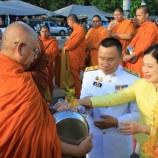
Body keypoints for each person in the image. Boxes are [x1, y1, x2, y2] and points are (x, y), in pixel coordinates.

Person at [0, 21, 93, 158]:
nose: (34, 57)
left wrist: (47, 110)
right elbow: (36, 140)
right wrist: (78, 151)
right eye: (34, 51)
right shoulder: (21, 84)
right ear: (20, 48)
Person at [78, 44, 158, 158]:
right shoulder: (141, 85)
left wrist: (144, 129)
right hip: (146, 149)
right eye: (143, 65)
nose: (145, 70)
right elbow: (113, 99)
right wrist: (78, 102)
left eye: (150, 66)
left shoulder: (133, 78)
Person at [123, 5, 158, 77]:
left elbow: (146, 45)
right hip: (134, 59)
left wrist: (132, 55)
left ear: (146, 15)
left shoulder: (151, 27)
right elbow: (133, 43)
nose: (137, 18)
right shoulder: (141, 27)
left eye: (139, 15)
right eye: (136, 15)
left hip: (143, 59)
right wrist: (125, 52)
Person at [63, 14, 86, 98]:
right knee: (72, 79)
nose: (68, 24)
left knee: (75, 79)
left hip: (76, 59)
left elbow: (71, 45)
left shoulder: (79, 30)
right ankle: (72, 96)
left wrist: (64, 47)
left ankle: (77, 98)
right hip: (73, 58)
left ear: (71, 21)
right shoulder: (76, 30)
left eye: (68, 22)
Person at [39, 25, 59, 101]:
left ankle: (48, 103)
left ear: (49, 32)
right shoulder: (36, 41)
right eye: (43, 31)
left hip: (48, 68)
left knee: (49, 86)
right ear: (40, 32)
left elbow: (53, 55)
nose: (44, 33)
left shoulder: (53, 42)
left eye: (46, 31)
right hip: (37, 69)